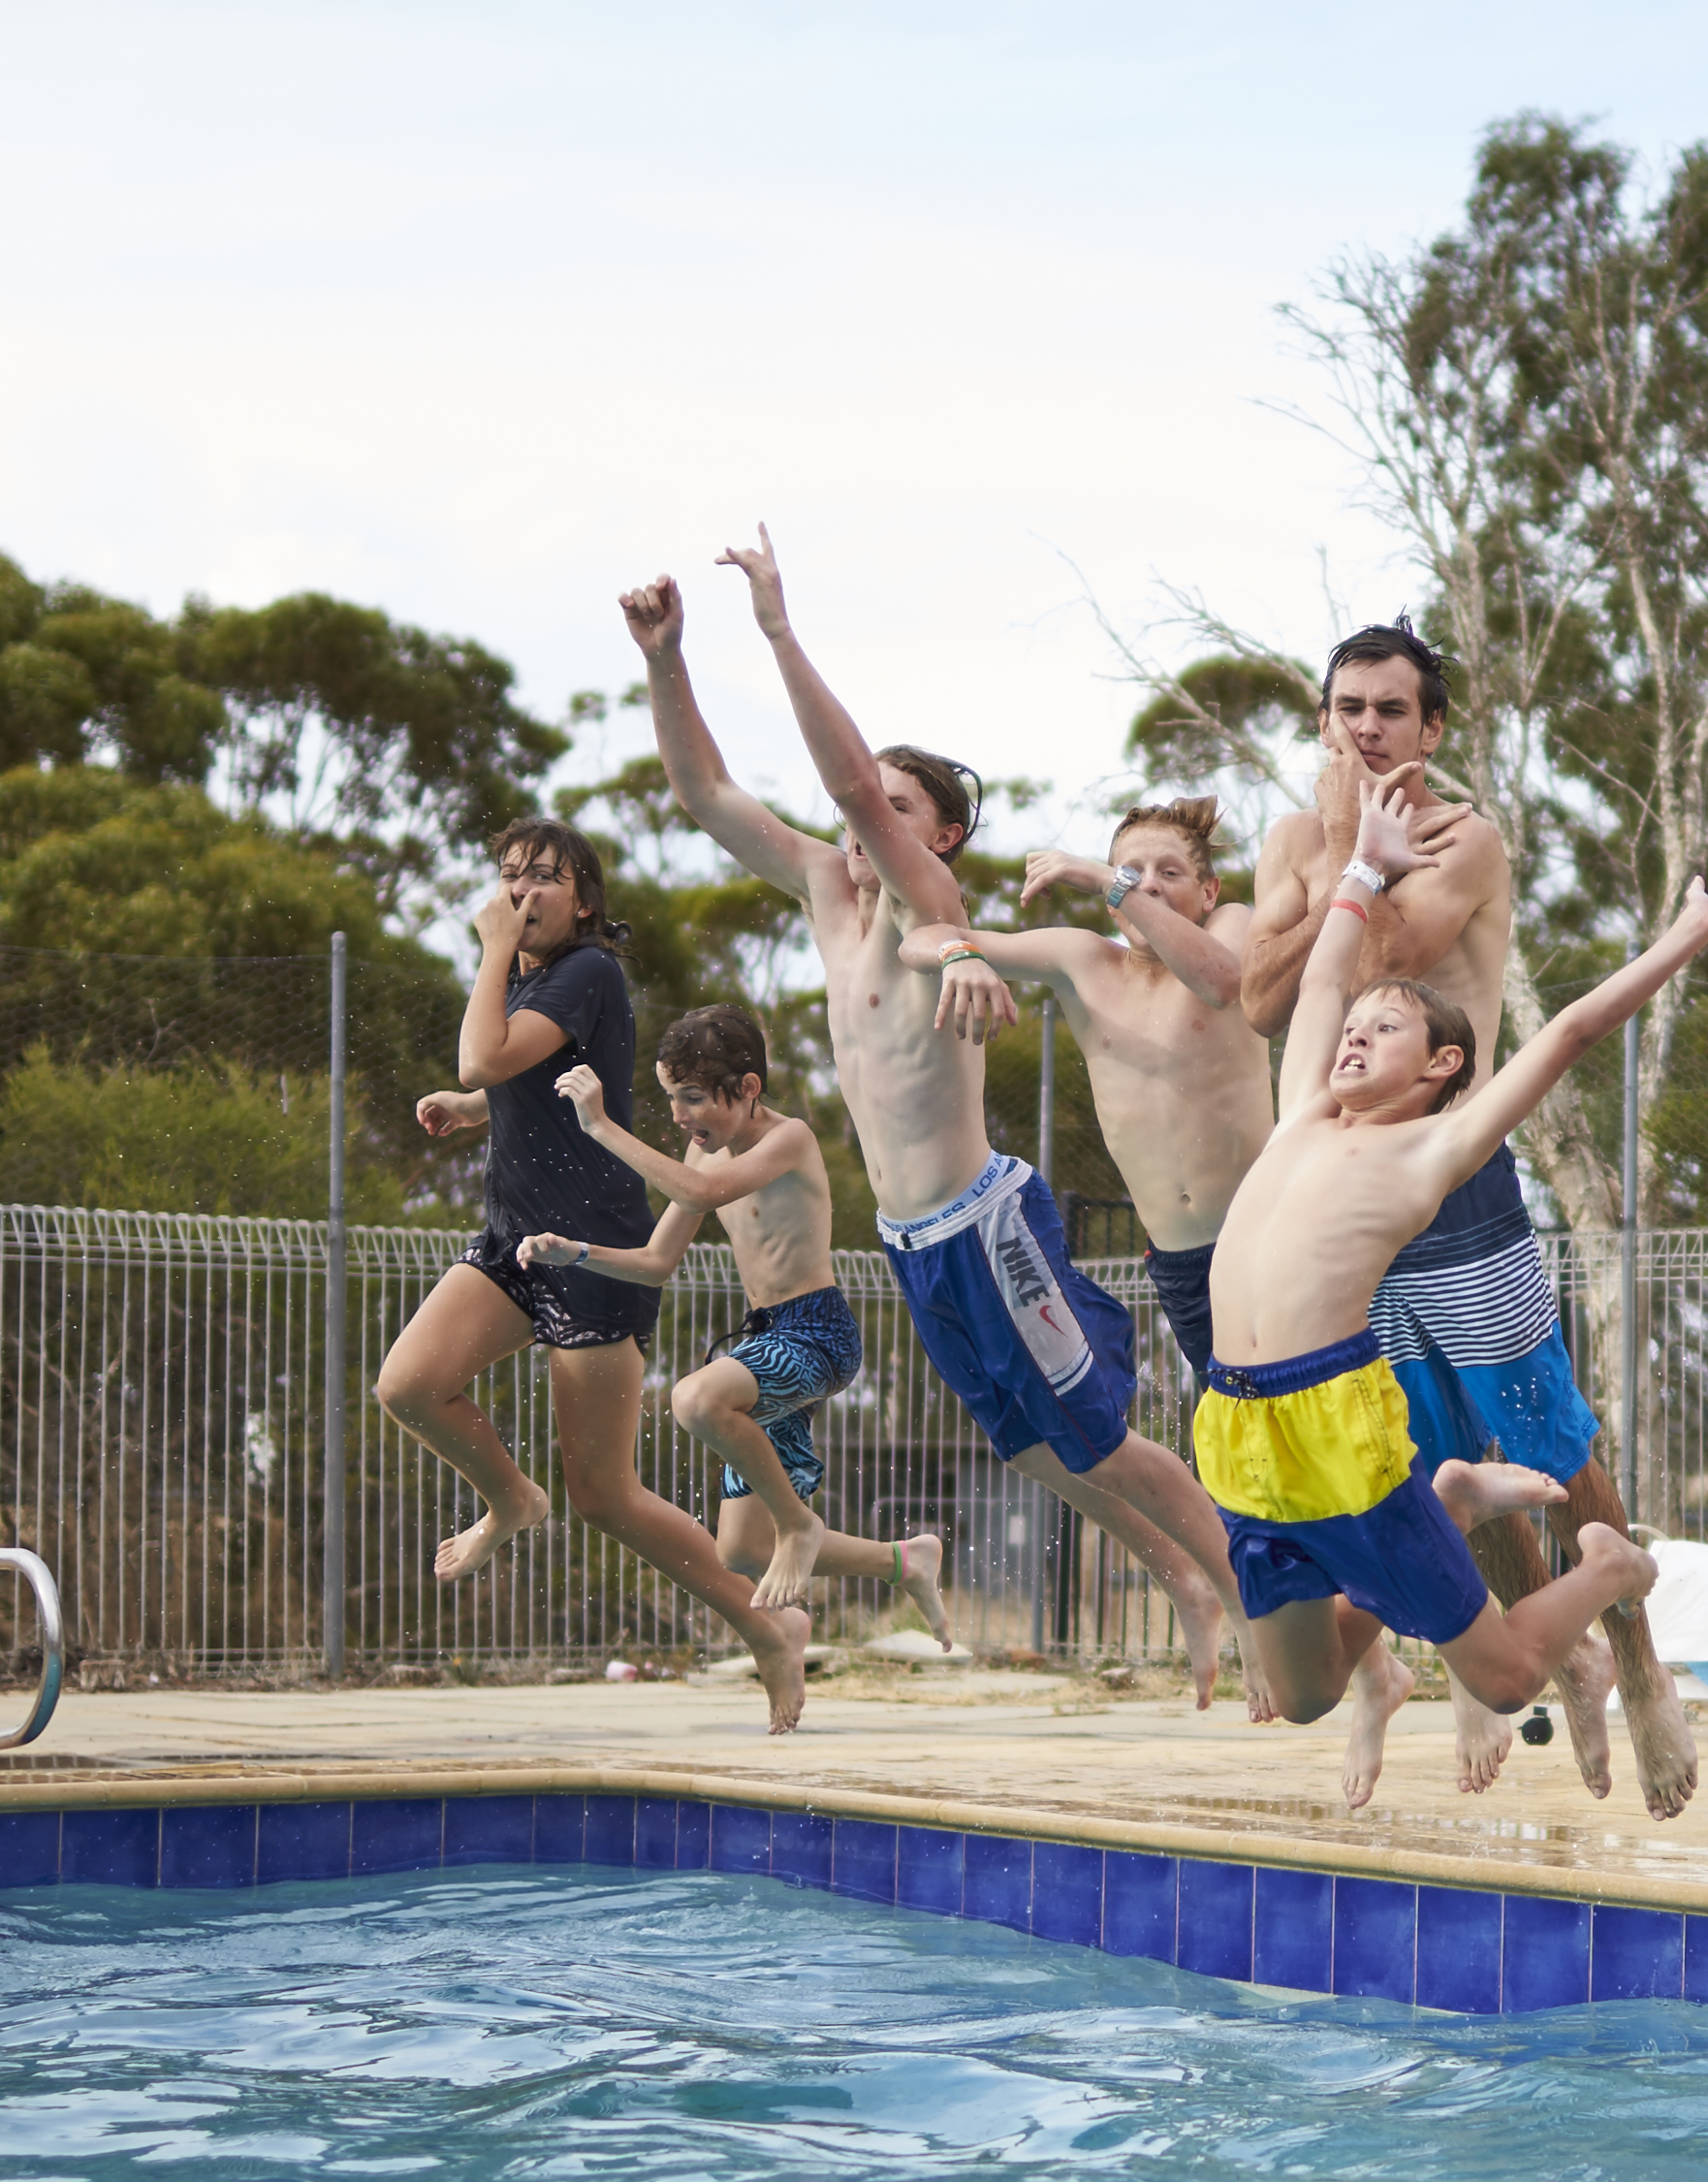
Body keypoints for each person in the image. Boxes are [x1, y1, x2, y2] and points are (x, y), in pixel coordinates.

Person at [622, 531, 1244, 1704]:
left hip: (984, 1221)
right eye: (871, 810)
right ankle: (1186, 1586)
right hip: (916, 1246)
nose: (867, 822)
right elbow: (703, 793)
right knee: (1032, 1452)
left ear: (936, 836)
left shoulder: (931, 899)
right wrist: (668, 658)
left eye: (900, 811)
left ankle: (1250, 1599)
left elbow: (855, 784)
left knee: (1100, 1440)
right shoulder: (821, 889)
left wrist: (774, 628)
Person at [1206, 772, 1708, 1808]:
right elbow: (1326, 974)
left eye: (1386, 1030)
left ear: (1442, 1067)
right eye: (1354, 1027)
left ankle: (1605, 1564)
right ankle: (1457, 1499)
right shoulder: (1299, 1113)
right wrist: (1365, 865)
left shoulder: (1430, 1152)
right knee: (1301, 1694)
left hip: (1332, 1430)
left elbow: (1569, 1037)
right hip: (1235, 1428)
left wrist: (1688, 934)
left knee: (1509, 1678)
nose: (1352, 1035)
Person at [374, 816, 810, 1719]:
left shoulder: (586, 971)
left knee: (608, 1498)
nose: (521, 891)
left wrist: (487, 979)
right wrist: (476, 1108)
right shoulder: (536, 980)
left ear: (583, 898)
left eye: (542, 877)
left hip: (593, 1257)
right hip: (512, 1243)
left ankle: (768, 1627)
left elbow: (487, 1051)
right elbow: (526, 1084)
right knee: (409, 1384)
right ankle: (511, 1498)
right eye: (508, 876)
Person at [535, 1001, 953, 1652]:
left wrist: (601, 1127)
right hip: (767, 1343)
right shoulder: (701, 1155)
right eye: (673, 1097)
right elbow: (655, 1262)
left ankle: (799, 1525)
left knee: (697, 1398)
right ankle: (905, 1561)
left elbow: (704, 1195)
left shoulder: (790, 1140)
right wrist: (579, 1253)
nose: (680, 1115)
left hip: (817, 1334)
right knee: (741, 1548)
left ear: (749, 1088)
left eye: (695, 1097)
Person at [955, 800, 1279, 1397]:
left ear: (1208, 891)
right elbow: (923, 939)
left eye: (1168, 874)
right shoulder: (1085, 962)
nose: (1146, 886)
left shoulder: (1232, 924)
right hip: (1179, 1264)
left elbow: (1220, 983)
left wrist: (1113, 881)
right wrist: (957, 957)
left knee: (1315, 1420)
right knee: (1241, 1434)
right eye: (1131, 870)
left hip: (1266, 1238)